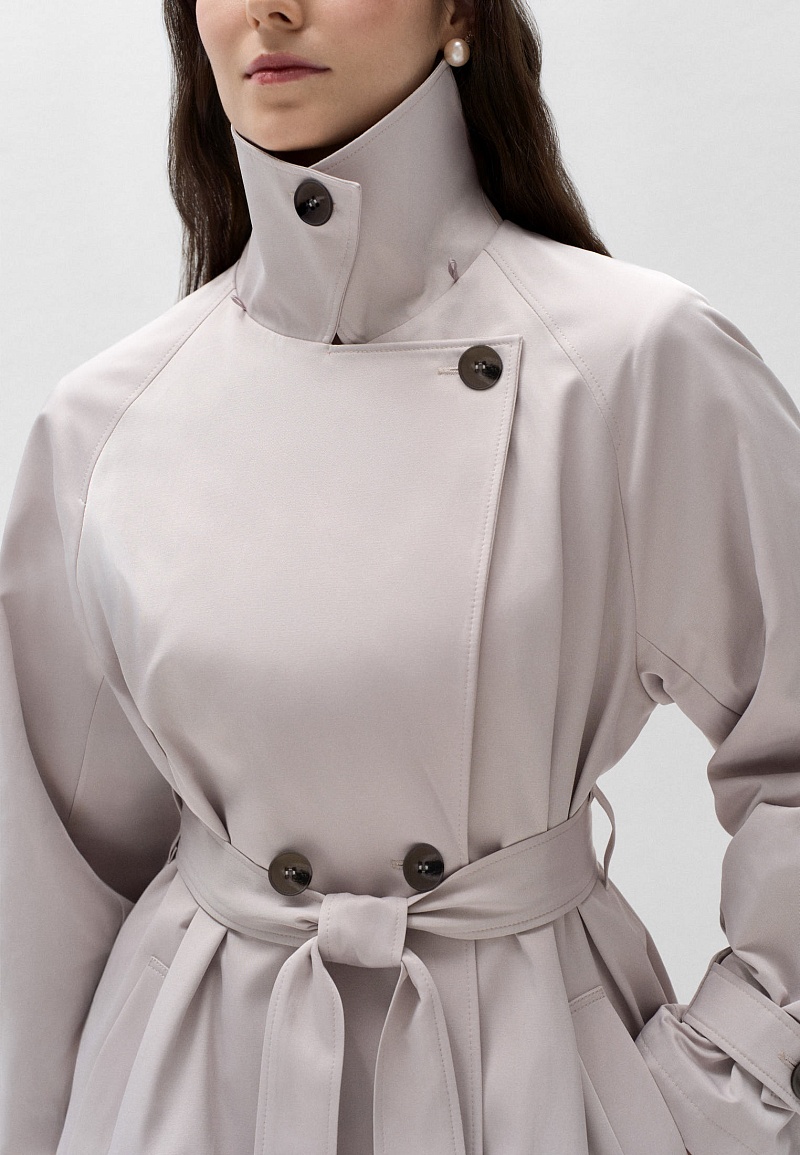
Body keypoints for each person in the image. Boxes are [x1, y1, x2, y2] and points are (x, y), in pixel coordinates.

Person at [1, 0, 798, 1152]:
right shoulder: (106, 425)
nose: (270, 7)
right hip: (181, 1093)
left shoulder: (630, 362)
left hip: (526, 1079)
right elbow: (46, 895)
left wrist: (725, 1087)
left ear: (458, 12)